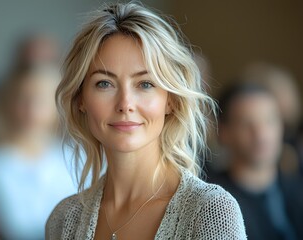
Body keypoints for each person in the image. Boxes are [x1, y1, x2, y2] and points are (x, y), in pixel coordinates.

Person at [46, 2, 246, 240]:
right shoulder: (64, 219)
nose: (125, 103)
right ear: (81, 99)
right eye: (104, 83)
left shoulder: (210, 211)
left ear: (170, 100)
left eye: (145, 84)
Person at [0, 64, 76, 240]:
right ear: (9, 103)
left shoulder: (74, 158)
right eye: (23, 98)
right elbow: (18, 230)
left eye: (41, 99)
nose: (32, 108)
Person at [213, 83, 303, 239]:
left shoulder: (296, 190)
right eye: (246, 123)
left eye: (269, 121)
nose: (261, 134)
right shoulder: (215, 204)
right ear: (224, 132)